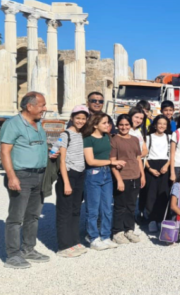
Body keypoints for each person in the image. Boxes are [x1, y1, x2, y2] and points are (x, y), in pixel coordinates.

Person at [0, 92, 51, 268]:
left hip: (39, 175)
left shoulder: (38, 124)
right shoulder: (12, 124)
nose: (45, 109)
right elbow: (5, 151)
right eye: (42, 105)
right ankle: (13, 255)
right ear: (29, 106)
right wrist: (12, 176)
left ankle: (28, 249)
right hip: (21, 176)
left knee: (33, 216)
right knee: (16, 217)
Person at [82, 112, 126, 251]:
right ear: (95, 125)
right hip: (93, 174)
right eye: (104, 123)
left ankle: (105, 236)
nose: (108, 125)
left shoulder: (107, 137)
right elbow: (90, 161)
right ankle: (93, 237)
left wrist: (115, 164)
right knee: (93, 209)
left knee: (107, 208)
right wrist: (112, 162)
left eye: (108, 122)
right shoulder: (88, 139)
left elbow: (108, 156)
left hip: (107, 174)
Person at [54, 105, 89, 258]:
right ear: (72, 118)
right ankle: (64, 246)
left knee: (75, 210)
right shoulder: (65, 134)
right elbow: (62, 160)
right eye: (78, 118)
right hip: (68, 174)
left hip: (80, 174)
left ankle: (74, 241)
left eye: (83, 118)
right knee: (64, 212)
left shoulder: (84, 135)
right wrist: (66, 182)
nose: (80, 121)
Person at [110, 114, 145, 245]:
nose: (124, 127)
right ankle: (117, 231)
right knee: (120, 206)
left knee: (131, 205)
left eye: (126, 124)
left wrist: (142, 175)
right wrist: (118, 179)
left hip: (135, 175)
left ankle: (129, 229)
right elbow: (112, 161)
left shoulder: (135, 139)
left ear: (130, 125)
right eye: (121, 125)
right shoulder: (115, 139)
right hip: (122, 176)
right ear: (117, 125)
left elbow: (138, 158)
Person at [144, 115, 171, 233]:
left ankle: (161, 219)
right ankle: (151, 220)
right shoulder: (148, 137)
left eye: (164, 124)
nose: (162, 126)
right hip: (151, 165)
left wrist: (166, 165)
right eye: (159, 123)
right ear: (155, 125)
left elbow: (171, 154)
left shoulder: (169, 137)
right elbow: (143, 155)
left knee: (163, 193)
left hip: (165, 166)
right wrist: (149, 169)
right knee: (151, 194)